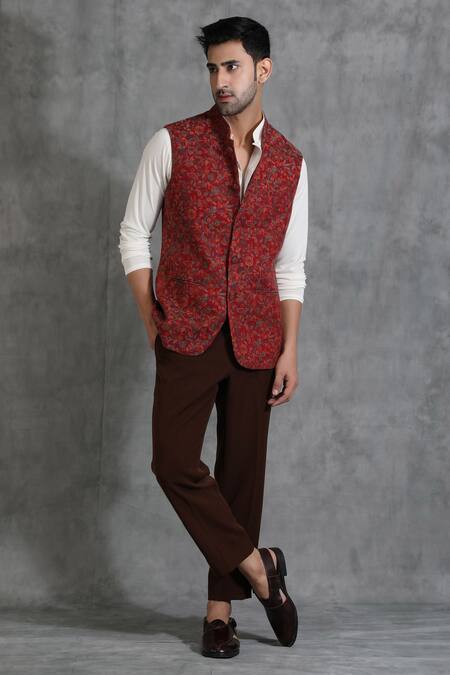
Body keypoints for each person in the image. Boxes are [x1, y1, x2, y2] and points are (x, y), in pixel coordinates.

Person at [118, 16, 308, 659]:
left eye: (232, 67)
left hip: (258, 336)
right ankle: (260, 568)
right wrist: (151, 316)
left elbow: (290, 266)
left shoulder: (291, 163)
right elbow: (133, 233)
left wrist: (291, 346)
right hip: (186, 329)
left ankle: (220, 613)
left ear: (263, 69)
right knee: (173, 461)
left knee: (240, 474)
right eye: (213, 68)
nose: (220, 80)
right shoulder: (171, 142)